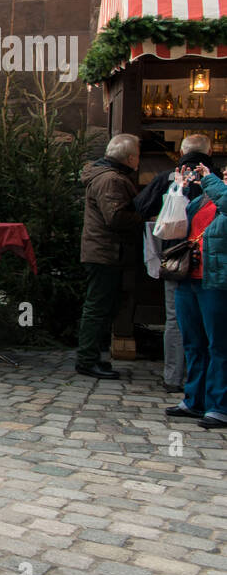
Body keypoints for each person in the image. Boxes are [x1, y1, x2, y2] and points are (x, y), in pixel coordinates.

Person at [135, 133, 215, 395]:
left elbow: (140, 207)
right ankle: (203, 380)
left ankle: (173, 376)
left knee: (176, 319)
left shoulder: (168, 177)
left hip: (176, 257)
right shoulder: (217, 180)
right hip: (211, 258)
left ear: (181, 152)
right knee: (211, 321)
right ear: (210, 152)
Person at [75, 134, 144, 379]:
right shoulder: (111, 180)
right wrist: (144, 216)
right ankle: (87, 359)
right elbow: (115, 218)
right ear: (130, 157)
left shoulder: (109, 176)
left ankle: (92, 356)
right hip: (105, 251)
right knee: (98, 306)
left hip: (106, 250)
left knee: (103, 306)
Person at [165, 162, 227, 429]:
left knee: (219, 345)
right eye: (225, 172)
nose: (224, 176)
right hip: (189, 276)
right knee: (193, 341)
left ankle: (219, 405)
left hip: (216, 281)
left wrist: (213, 183)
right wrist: (179, 191)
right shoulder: (204, 199)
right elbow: (177, 224)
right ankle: (194, 399)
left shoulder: (218, 195)